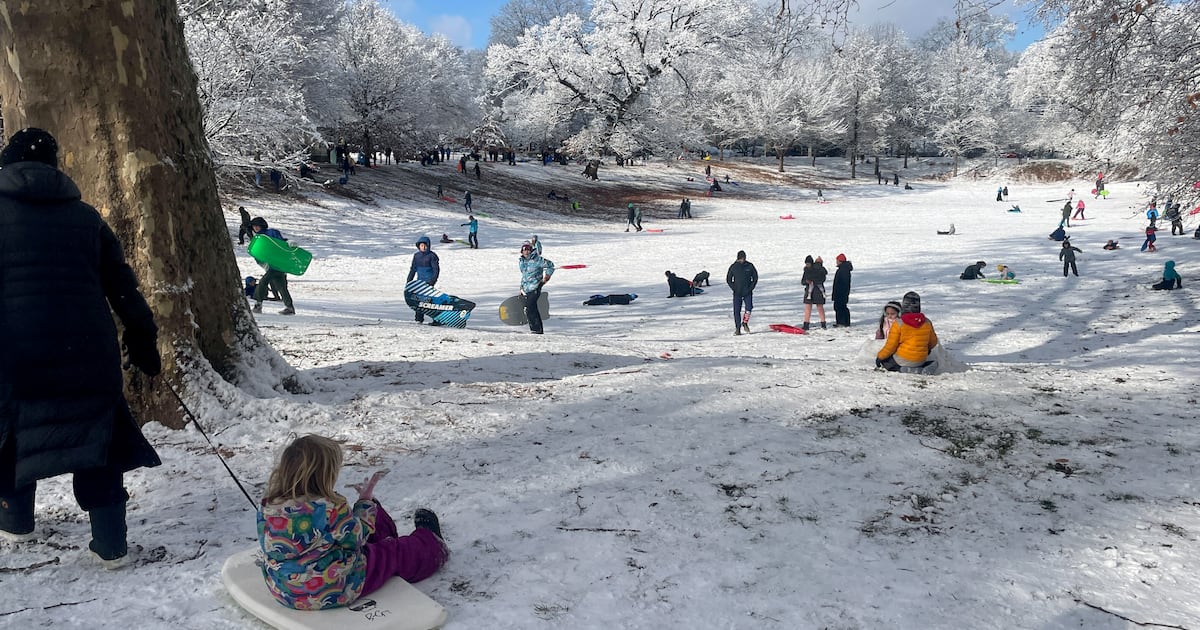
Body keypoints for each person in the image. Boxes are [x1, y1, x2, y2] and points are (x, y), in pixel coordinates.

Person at [0, 128, 162, 566]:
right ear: (55, 167)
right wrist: (142, 338)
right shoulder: (87, 218)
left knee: (11, 438)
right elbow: (122, 286)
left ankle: (15, 524)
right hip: (89, 355)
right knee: (98, 443)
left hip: (14, 359)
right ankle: (112, 546)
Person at [258, 435, 448, 611]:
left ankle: (383, 528)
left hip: (285, 591)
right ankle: (432, 543)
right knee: (394, 552)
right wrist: (365, 502)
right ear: (323, 475)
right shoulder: (328, 508)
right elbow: (357, 538)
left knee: (360, 535)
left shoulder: (268, 506)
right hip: (335, 588)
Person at [876, 292, 939, 372]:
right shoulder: (927, 322)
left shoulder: (899, 323)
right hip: (921, 359)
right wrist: (926, 349)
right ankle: (925, 366)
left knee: (886, 362)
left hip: (902, 360)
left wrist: (880, 357)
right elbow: (933, 342)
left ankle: (902, 369)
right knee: (920, 361)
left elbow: (890, 346)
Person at [250, 217, 296, 315]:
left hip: (278, 263)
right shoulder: (258, 239)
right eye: (254, 226)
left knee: (263, 282)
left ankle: (258, 305)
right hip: (271, 265)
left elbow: (281, 243)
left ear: (262, 225)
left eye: (257, 225)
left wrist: (288, 242)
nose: (255, 228)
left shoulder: (271, 232)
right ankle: (290, 307)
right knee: (281, 287)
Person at [518, 241, 554, 334]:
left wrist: (547, 277)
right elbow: (525, 276)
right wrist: (521, 288)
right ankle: (537, 330)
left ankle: (535, 329)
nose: (526, 251)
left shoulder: (537, 260)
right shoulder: (522, 261)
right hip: (526, 288)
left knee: (529, 308)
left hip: (535, 287)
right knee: (532, 308)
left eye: (528, 249)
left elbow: (550, 265)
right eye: (524, 249)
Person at [406, 236, 440, 323]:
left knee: (430, 302)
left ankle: (437, 319)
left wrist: (433, 281)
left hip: (429, 282)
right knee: (418, 301)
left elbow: (436, 270)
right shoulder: (416, 256)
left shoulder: (432, 256)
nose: (423, 247)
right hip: (419, 282)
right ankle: (418, 319)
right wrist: (409, 281)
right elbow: (413, 269)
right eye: (421, 245)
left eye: (425, 245)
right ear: (418, 246)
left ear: (428, 246)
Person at [726, 250, 758, 335]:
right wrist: (734, 288)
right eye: (740, 259)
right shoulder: (733, 267)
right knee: (737, 311)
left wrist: (751, 288)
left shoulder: (750, 266)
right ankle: (737, 328)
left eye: (743, 259)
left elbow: (755, 278)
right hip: (737, 292)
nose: (742, 260)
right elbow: (729, 279)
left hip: (747, 292)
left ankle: (745, 322)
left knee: (749, 307)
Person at [801, 255, 827, 330]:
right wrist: (806, 281)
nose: (807, 265)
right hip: (809, 291)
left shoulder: (818, 270)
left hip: (818, 291)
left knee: (820, 307)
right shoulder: (806, 270)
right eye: (806, 264)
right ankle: (806, 324)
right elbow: (802, 281)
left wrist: (812, 281)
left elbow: (821, 279)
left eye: (808, 263)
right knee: (808, 307)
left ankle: (823, 324)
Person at [831, 253, 853, 327]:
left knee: (840, 307)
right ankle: (844, 322)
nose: (836, 262)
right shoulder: (844, 269)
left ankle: (842, 322)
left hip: (841, 292)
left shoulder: (843, 270)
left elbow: (843, 282)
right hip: (842, 292)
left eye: (837, 260)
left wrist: (840, 292)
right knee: (841, 306)